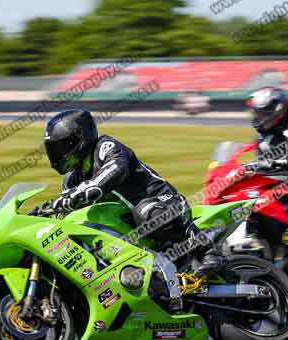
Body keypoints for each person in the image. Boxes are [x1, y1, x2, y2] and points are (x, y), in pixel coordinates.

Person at [43, 109, 223, 276]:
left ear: (80, 139)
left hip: (164, 202)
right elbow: (65, 211)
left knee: (147, 211)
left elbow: (114, 171)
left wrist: (80, 193)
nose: (57, 154)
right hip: (128, 225)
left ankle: (208, 250)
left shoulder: (106, 147)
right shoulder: (72, 178)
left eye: (62, 147)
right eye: (53, 149)